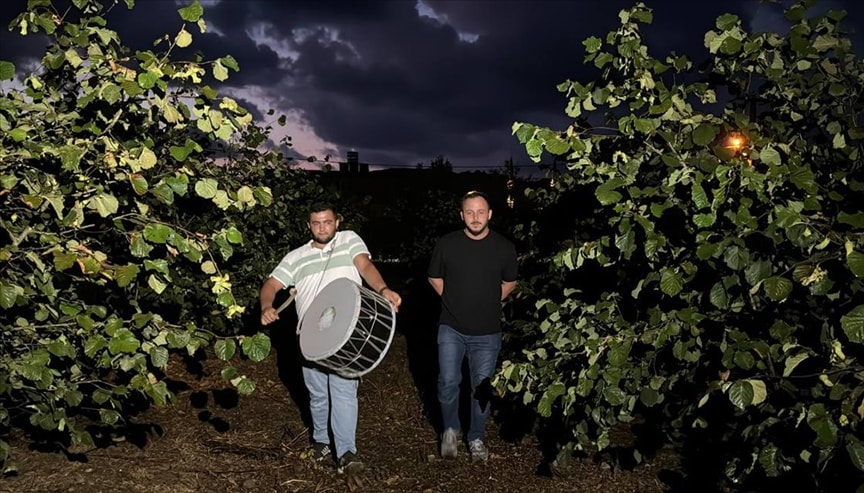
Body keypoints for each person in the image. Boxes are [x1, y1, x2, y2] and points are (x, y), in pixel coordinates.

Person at [259, 201, 401, 474]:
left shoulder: (349, 240)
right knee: (317, 395)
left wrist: (383, 289)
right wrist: (267, 306)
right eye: (316, 223)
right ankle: (322, 442)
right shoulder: (296, 256)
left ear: (337, 222)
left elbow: (365, 266)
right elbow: (271, 285)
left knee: (344, 392)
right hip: (310, 339)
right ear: (308, 225)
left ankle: (347, 451)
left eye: (327, 222)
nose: (322, 227)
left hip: (346, 334)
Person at [427, 190, 518, 462]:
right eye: (469, 212)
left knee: (482, 388)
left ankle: (476, 437)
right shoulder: (447, 244)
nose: (475, 218)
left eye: (480, 212)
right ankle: (451, 433)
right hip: (451, 328)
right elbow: (434, 277)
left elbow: (510, 283)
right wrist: (455, 300)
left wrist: (488, 301)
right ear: (461, 215)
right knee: (447, 382)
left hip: (488, 332)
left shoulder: (504, 247)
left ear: (489, 214)